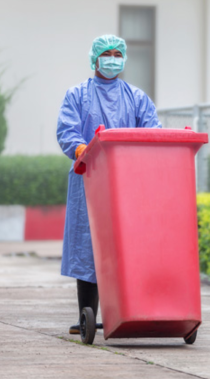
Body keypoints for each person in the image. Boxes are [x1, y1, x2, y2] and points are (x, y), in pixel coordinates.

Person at [57, 34, 162, 334]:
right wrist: (80, 149)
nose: (113, 59)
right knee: (89, 245)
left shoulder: (136, 97)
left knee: (129, 245)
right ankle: (85, 317)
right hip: (89, 178)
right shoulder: (77, 95)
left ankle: (131, 311)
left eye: (118, 54)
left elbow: (152, 131)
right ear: (95, 58)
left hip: (130, 182)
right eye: (107, 53)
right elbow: (67, 130)